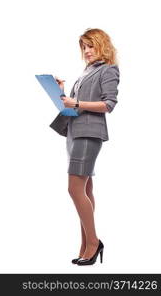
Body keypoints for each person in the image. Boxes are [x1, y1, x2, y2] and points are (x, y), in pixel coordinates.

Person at [54, 28, 120, 266]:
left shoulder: (108, 69)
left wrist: (78, 101)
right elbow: (74, 107)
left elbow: (108, 104)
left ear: (102, 45)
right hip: (74, 132)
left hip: (89, 134)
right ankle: (84, 245)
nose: (87, 51)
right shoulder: (87, 71)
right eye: (84, 47)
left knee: (74, 188)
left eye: (91, 45)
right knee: (85, 189)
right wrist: (62, 94)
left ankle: (93, 242)